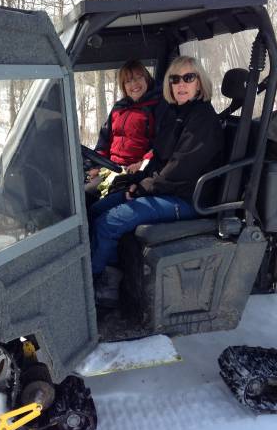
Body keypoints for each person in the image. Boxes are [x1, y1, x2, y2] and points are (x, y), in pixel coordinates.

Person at [90, 56, 224, 306]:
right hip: (167, 190)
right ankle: (102, 268)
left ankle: (101, 285)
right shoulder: (176, 114)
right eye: (174, 79)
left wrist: (143, 187)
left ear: (199, 83)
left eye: (188, 78)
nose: (181, 84)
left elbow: (180, 168)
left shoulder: (202, 119)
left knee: (110, 222)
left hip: (187, 198)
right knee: (97, 209)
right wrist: (137, 179)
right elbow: (158, 159)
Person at [85, 60, 160, 207]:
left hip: (132, 172)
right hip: (110, 168)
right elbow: (104, 140)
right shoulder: (119, 108)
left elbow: (160, 145)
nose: (134, 84)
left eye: (139, 78)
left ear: (147, 79)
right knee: (79, 195)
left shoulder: (156, 107)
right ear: (123, 86)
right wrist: (96, 165)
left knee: (89, 202)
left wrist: (141, 164)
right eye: (128, 81)